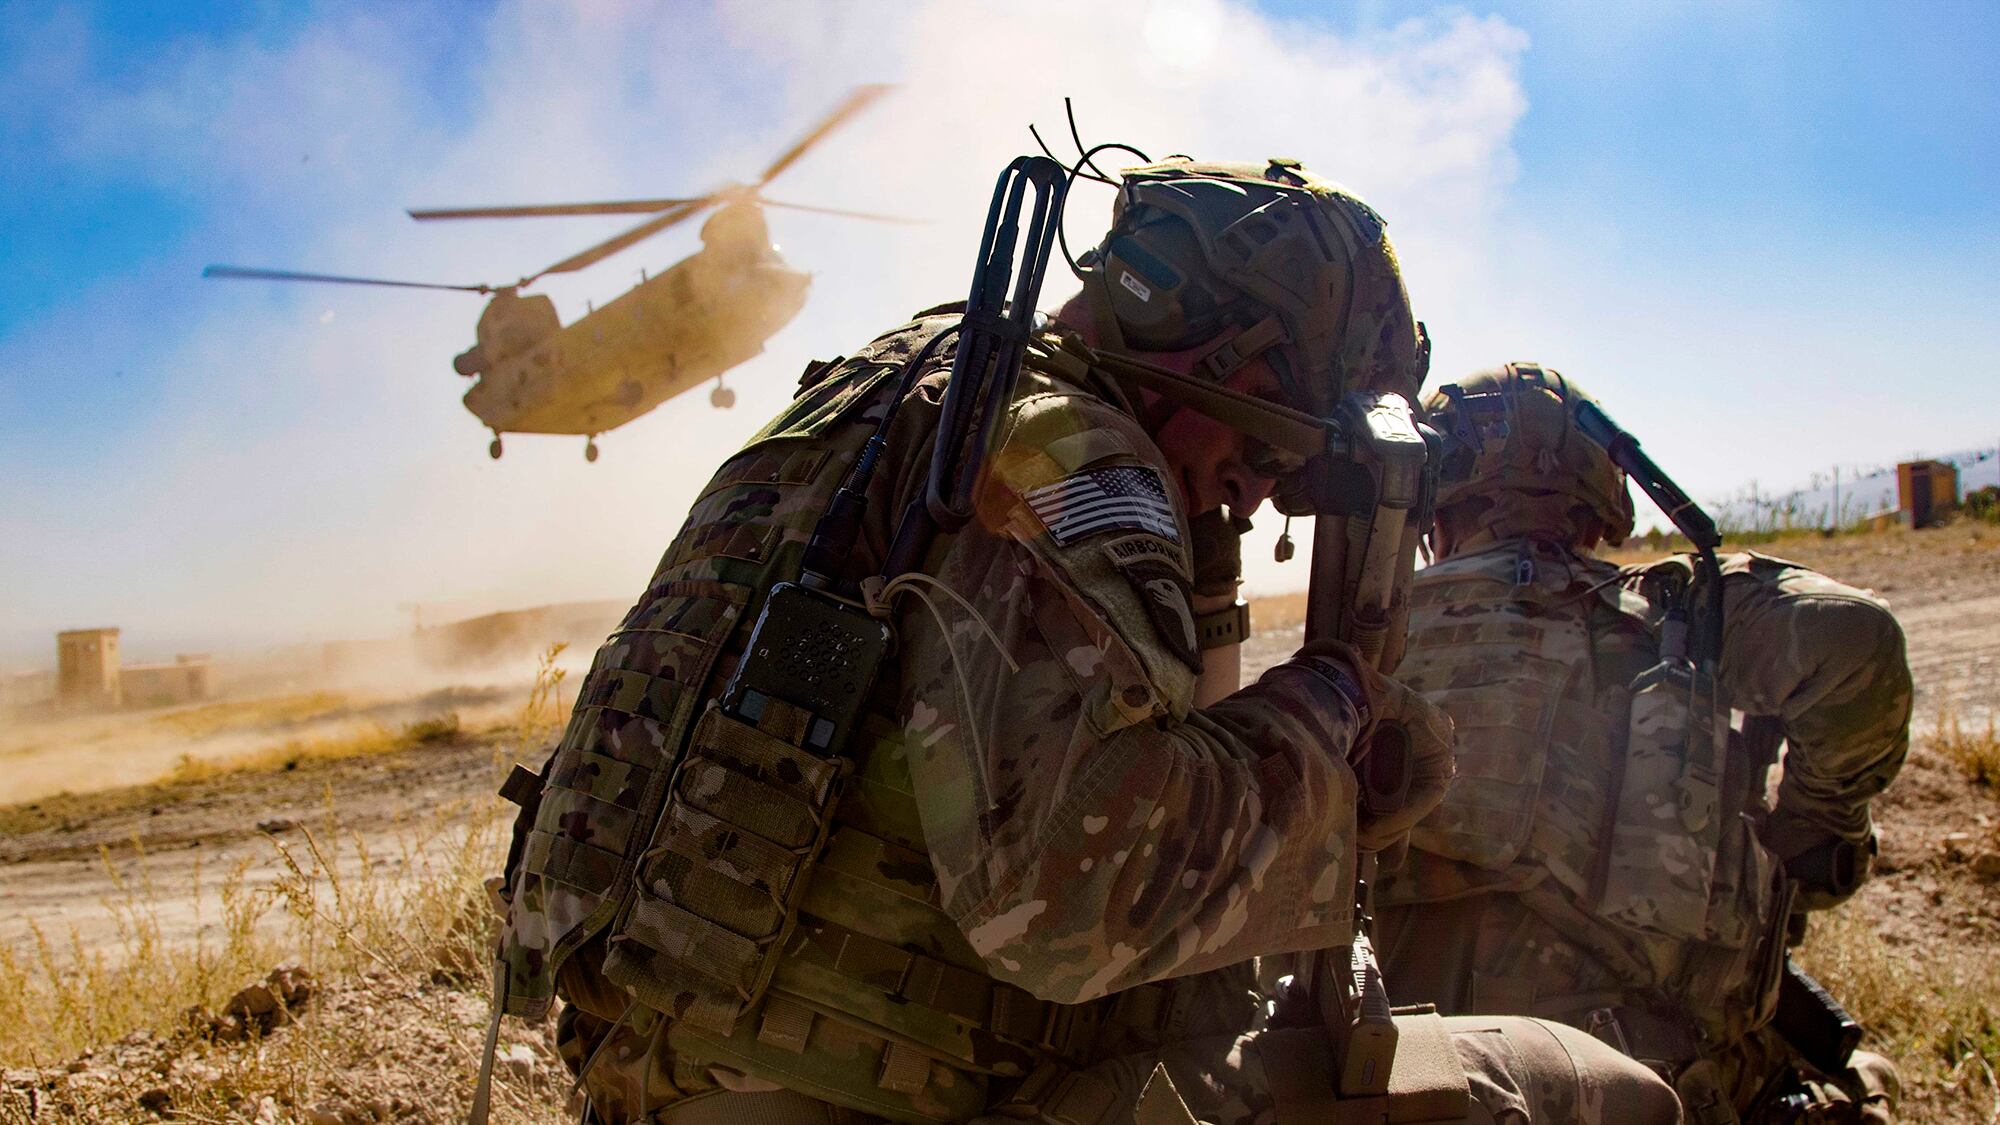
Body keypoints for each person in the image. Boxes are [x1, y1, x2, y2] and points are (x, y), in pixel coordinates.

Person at [483, 162, 1679, 1124]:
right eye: (1269, 451)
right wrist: (1328, 715)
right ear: (1232, 363)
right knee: (1569, 1090)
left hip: (671, 1071)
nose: (1259, 493)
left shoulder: (895, 389)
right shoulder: (1077, 457)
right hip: (849, 1088)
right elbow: (1070, 904)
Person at [1373, 362, 1911, 1124]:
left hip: (1401, 1072)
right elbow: (1858, 640)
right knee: (1861, 1078)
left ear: (1436, 512)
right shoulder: (1663, 616)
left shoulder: (1362, 650)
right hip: (1634, 1080)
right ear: (1599, 508)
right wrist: (1812, 836)